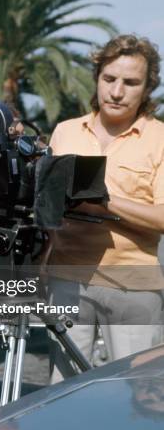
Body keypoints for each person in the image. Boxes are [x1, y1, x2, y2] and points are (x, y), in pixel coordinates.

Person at [48, 34, 164, 380]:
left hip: (135, 284)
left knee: (133, 395)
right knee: (63, 393)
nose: (116, 91)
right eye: (109, 79)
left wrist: (106, 201)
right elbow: (47, 210)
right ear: (96, 77)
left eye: (130, 83)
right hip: (67, 278)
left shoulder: (160, 138)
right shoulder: (65, 132)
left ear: (146, 89)